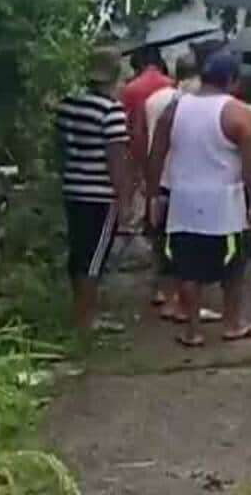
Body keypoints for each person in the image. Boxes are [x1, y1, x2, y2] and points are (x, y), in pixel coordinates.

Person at [148, 51, 251, 348]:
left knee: (188, 269)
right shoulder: (236, 113)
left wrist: (153, 195)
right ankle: (232, 323)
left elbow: (156, 154)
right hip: (225, 205)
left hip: (183, 202)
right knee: (233, 269)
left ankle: (192, 330)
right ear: (233, 80)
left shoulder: (175, 108)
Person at [55, 47, 132, 333]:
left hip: (73, 188)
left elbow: (59, 148)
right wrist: (124, 201)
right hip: (99, 193)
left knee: (78, 251)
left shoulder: (68, 104)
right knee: (94, 258)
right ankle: (86, 319)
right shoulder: (110, 111)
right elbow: (116, 159)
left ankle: (81, 312)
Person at [119, 45, 174, 309]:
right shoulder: (172, 87)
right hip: (174, 167)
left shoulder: (131, 91)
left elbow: (132, 134)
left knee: (153, 225)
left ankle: (160, 283)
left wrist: (134, 172)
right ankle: (174, 283)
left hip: (146, 165)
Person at [143, 53, 194, 320]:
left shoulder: (153, 100)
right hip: (182, 181)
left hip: (159, 177)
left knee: (158, 239)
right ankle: (180, 300)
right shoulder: (192, 104)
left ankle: (158, 290)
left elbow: (141, 138)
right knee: (181, 244)